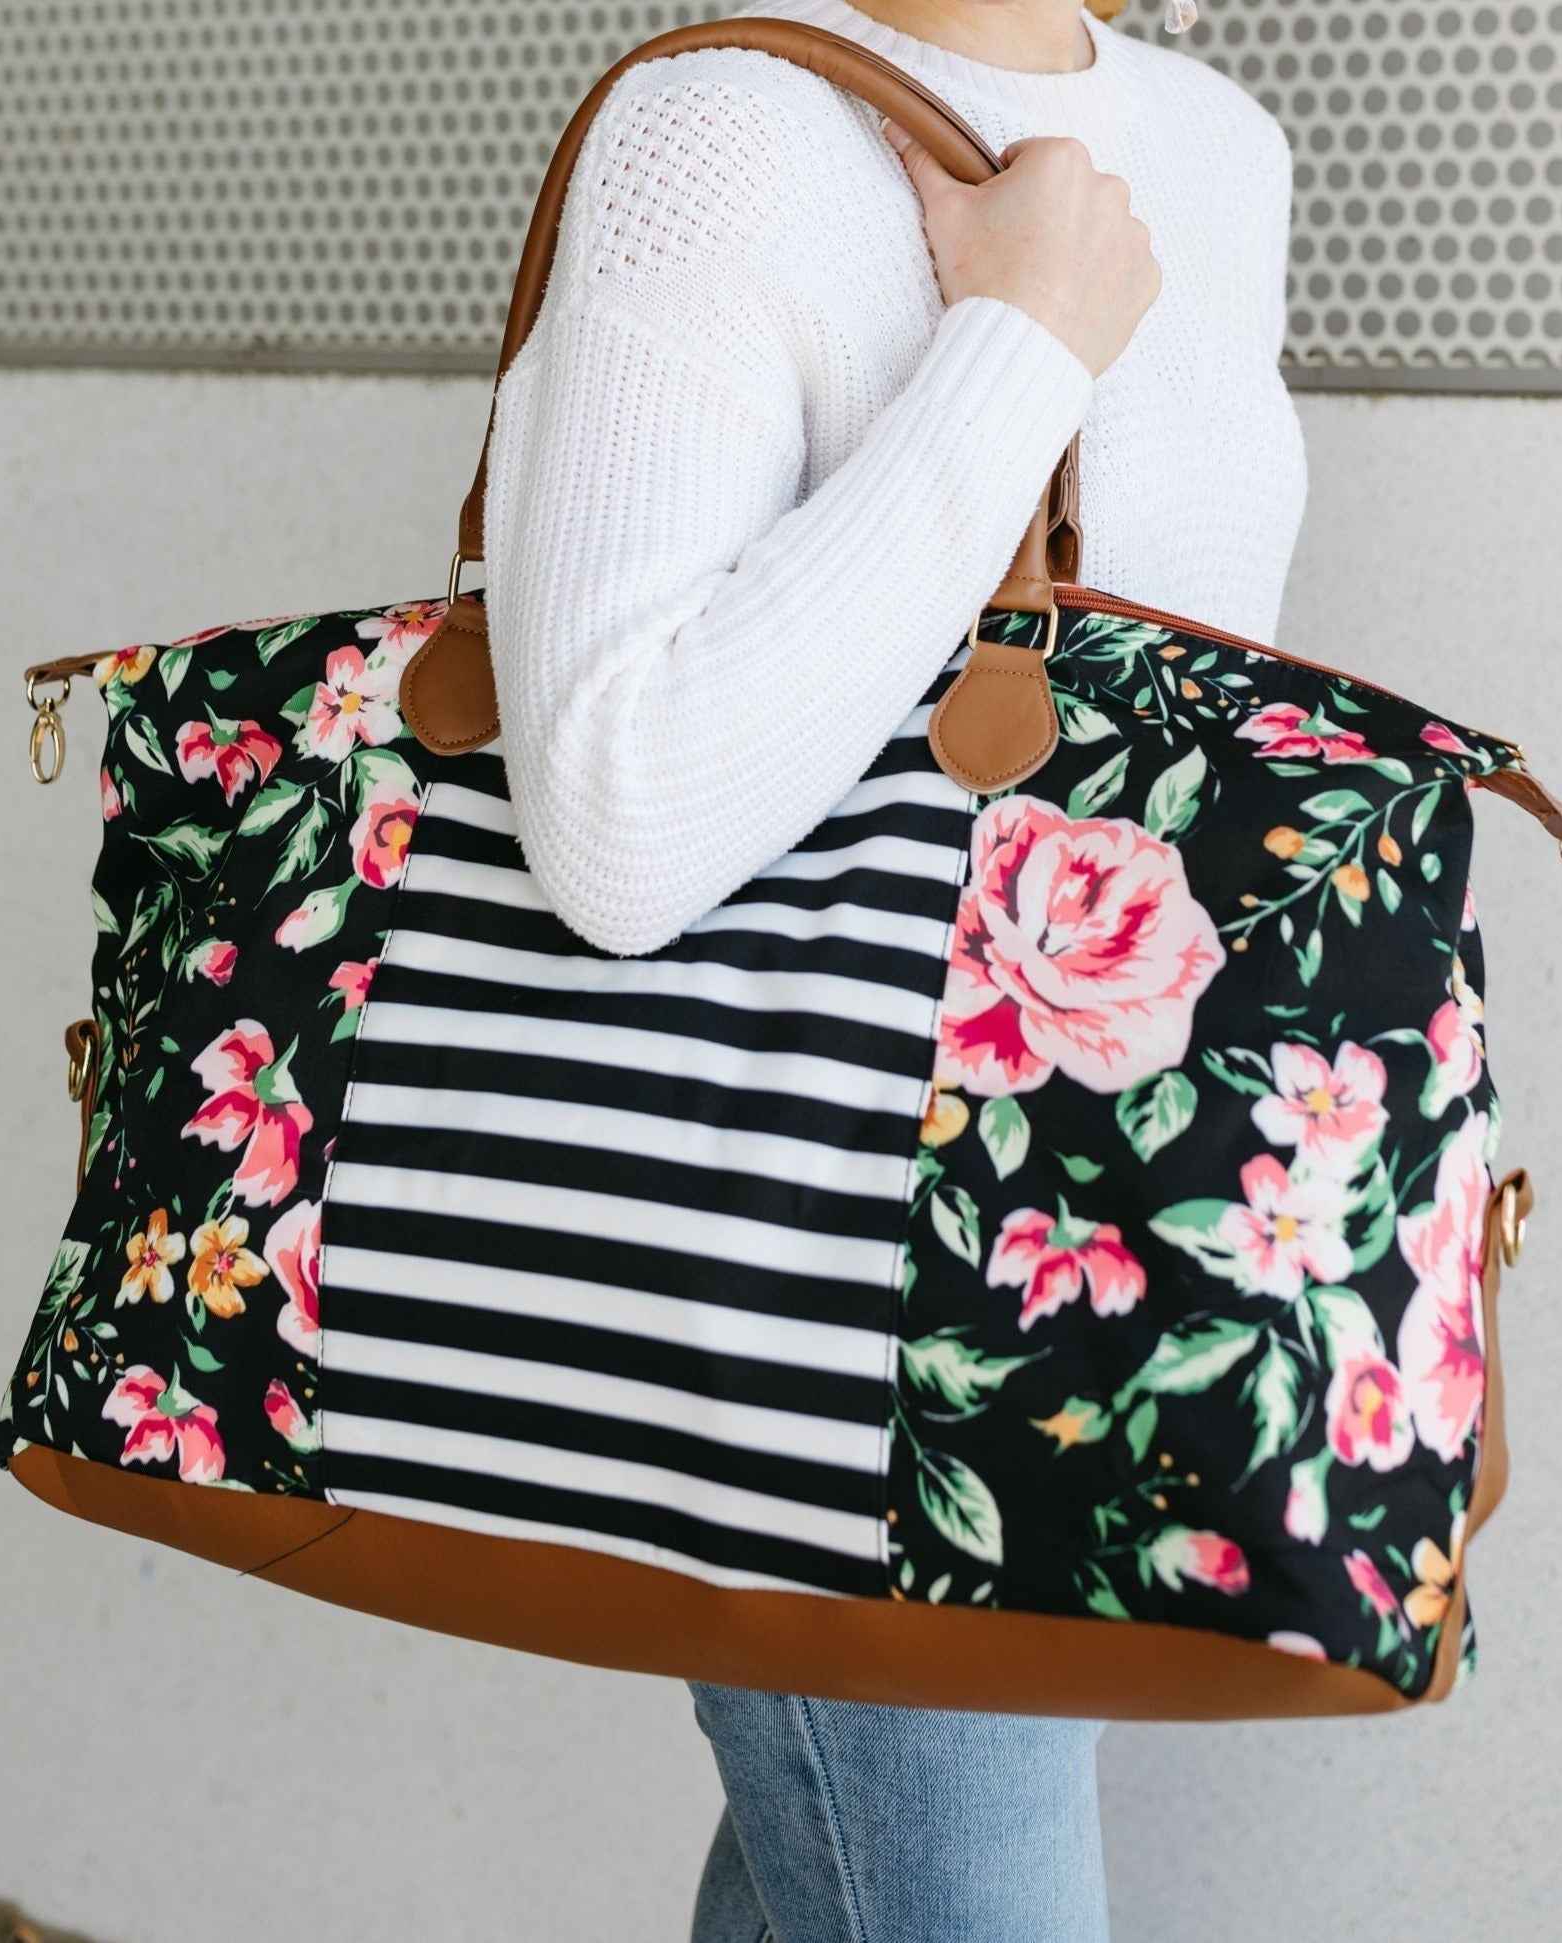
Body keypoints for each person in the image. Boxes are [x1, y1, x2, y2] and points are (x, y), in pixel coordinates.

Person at [480, 0, 1305, 1933]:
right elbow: (615, 818)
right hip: (840, 1294)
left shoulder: (1221, 144)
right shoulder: (724, 130)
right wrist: (1019, 344)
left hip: (1089, 1245)